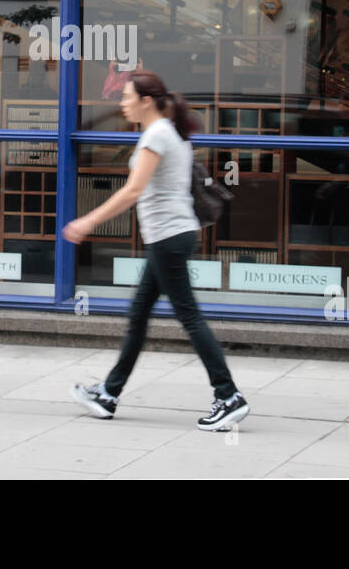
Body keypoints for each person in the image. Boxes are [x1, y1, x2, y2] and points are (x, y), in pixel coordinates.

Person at [63, 70, 249, 432]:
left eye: (127, 96)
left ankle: (228, 397)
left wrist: (88, 221)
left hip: (168, 238)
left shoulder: (157, 135)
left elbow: (133, 191)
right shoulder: (169, 131)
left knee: (190, 318)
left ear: (145, 100)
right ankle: (109, 393)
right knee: (138, 315)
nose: (122, 103)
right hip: (169, 237)